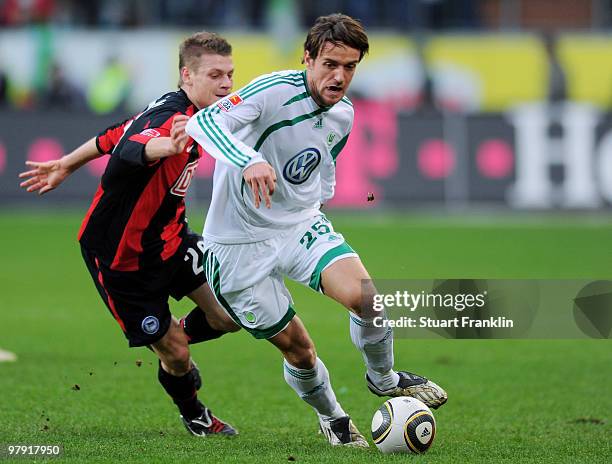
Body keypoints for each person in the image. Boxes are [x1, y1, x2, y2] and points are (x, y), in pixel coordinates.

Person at [185, 14, 448, 447]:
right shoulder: (272, 91)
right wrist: (249, 160)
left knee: (368, 298)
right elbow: (204, 123)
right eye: (329, 63)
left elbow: (320, 173)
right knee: (301, 351)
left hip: (297, 224)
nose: (339, 76)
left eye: (349, 67)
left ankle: (383, 379)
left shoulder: (343, 114)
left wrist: (313, 209)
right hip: (237, 246)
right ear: (308, 58)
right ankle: (334, 418)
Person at [19, 31, 241, 438]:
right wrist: (167, 147)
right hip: (122, 259)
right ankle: (194, 412)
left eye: (230, 73)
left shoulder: (199, 110)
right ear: (186, 76)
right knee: (176, 356)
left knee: (231, 313)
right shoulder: (169, 122)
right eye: (215, 75)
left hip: (172, 239)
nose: (226, 84)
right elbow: (130, 148)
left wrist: (67, 163)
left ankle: (174, 335)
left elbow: (114, 132)